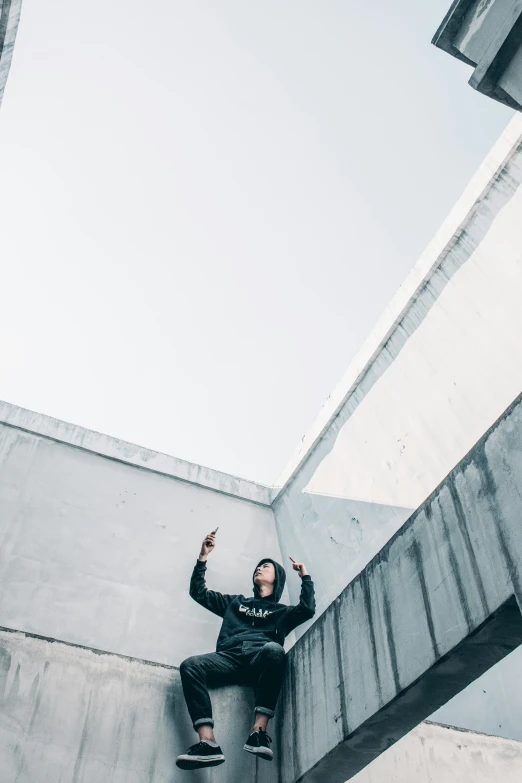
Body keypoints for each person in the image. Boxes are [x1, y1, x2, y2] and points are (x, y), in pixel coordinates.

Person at [176, 527, 316, 770]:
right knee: (190, 665)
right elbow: (198, 593)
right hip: (228, 658)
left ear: (277, 578)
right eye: (257, 567)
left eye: (266, 566)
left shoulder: (281, 612)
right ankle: (207, 742)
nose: (259, 568)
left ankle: (258, 731)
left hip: (259, 659)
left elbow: (307, 609)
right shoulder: (235, 603)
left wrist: (305, 576)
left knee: (274, 650)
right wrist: (203, 557)